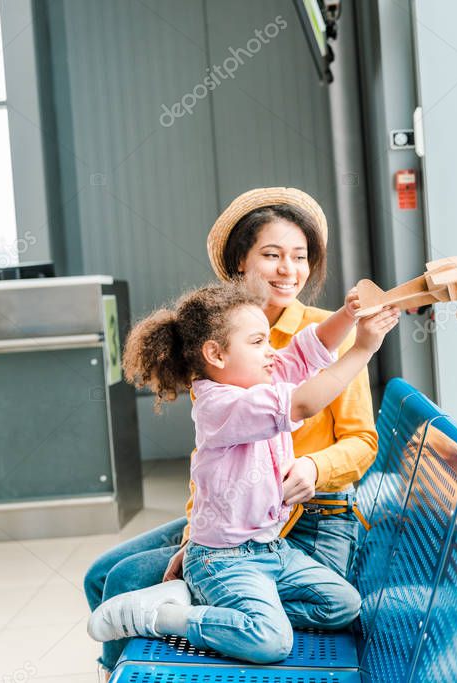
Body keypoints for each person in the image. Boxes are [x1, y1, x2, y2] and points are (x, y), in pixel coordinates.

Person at [83, 188, 380, 671]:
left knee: (121, 579)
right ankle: (136, 658)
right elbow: (298, 394)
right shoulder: (233, 358)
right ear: (239, 263)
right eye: (272, 255)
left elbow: (356, 431)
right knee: (105, 576)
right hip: (234, 535)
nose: (289, 269)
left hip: (295, 525)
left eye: (300, 257)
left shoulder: (261, 355)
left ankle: (187, 611)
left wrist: (350, 321)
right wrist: (362, 349)